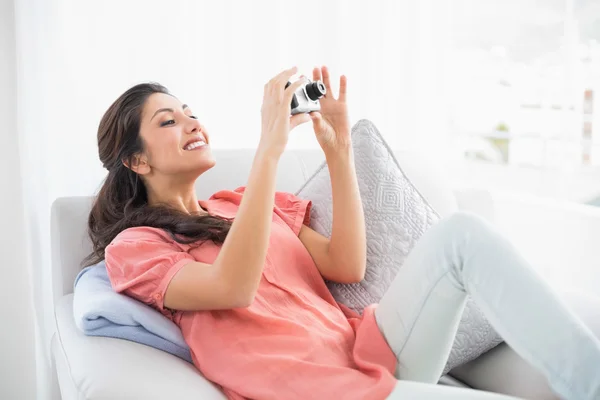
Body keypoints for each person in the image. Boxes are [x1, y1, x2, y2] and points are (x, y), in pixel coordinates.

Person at [84, 66, 600, 400]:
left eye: (192, 113)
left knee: (462, 233)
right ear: (136, 159)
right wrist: (269, 149)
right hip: (311, 386)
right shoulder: (136, 248)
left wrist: (338, 151)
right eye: (169, 122)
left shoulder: (238, 203)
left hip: (370, 352)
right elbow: (231, 287)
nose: (193, 123)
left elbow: (346, 264)